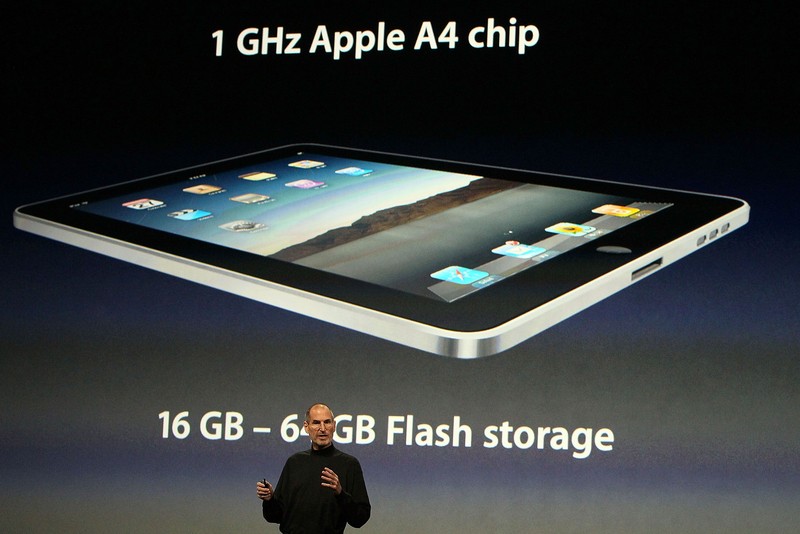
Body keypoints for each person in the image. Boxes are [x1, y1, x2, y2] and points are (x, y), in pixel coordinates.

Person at [256, 403, 371, 533]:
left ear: (334, 426)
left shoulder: (349, 464)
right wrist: (270, 499)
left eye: (327, 422)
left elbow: (360, 518)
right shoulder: (294, 462)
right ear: (306, 426)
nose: (322, 428)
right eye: (316, 423)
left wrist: (341, 493)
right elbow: (275, 516)